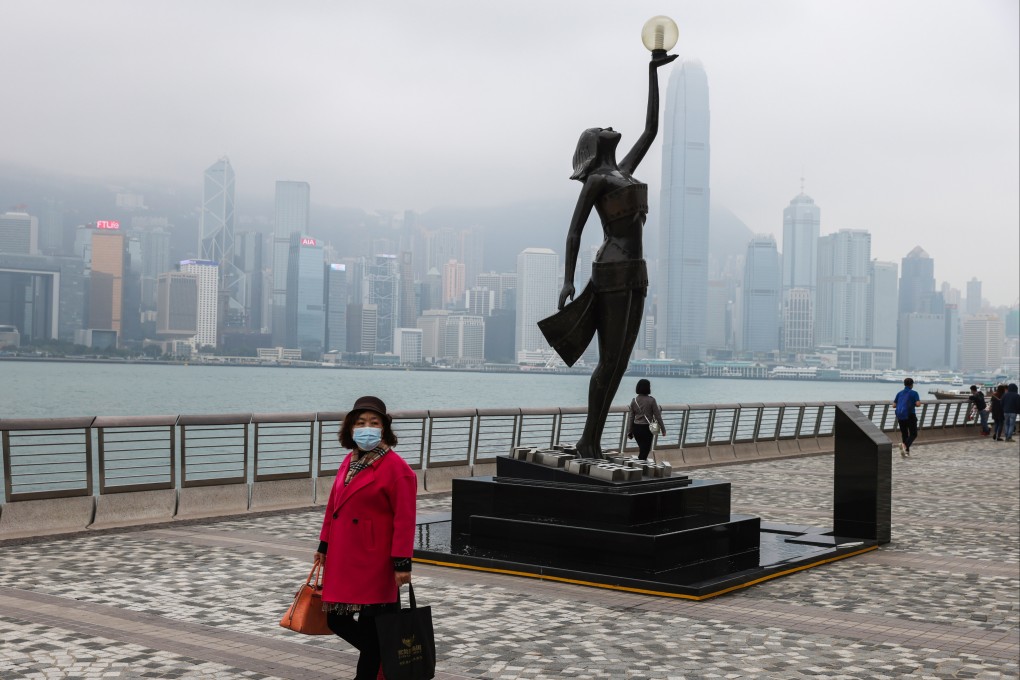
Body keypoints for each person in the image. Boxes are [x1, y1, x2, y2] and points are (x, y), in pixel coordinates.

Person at [539, 50, 678, 459]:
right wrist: (568, 279)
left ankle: (591, 439)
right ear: (593, 143)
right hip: (612, 271)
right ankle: (589, 439)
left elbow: (652, 129)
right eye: (601, 127)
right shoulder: (598, 180)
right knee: (609, 360)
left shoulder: (626, 170)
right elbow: (574, 231)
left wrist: (652, 72)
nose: (611, 126)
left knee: (620, 361)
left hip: (636, 272)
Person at [313, 396, 417, 680]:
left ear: (384, 429)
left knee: (371, 627)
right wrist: (324, 545)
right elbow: (334, 506)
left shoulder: (398, 469)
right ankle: (381, 655)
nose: (366, 428)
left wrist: (402, 563)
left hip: (376, 561)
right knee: (337, 619)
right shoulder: (350, 459)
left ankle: (373, 665)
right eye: (360, 423)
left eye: (374, 423)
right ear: (350, 428)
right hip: (344, 556)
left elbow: (405, 520)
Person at [626, 378, 666, 461]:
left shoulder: (634, 401)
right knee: (645, 450)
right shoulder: (651, 400)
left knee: (642, 449)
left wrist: (629, 431)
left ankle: (640, 467)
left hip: (636, 428)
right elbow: (658, 416)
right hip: (647, 428)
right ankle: (640, 468)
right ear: (648, 388)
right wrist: (663, 429)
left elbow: (631, 417)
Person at [892, 378, 921, 458]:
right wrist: (913, 404)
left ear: (904, 384)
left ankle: (906, 452)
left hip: (901, 416)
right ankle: (904, 446)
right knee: (913, 434)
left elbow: (894, 405)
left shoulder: (899, 393)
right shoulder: (914, 393)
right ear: (912, 384)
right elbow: (918, 404)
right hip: (910, 415)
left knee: (904, 434)